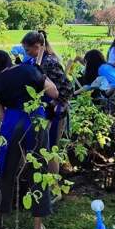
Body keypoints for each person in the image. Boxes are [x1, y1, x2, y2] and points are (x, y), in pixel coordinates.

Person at [0, 50, 59, 229]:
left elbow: (1, 116)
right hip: (34, 118)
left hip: (11, 121)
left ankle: (0, 219)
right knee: (38, 170)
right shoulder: (29, 70)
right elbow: (54, 92)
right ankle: (37, 227)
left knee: (6, 169)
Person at [22, 31, 74, 159]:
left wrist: (55, 103)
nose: (26, 53)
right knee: (44, 147)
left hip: (54, 110)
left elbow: (67, 87)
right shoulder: (37, 60)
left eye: (27, 50)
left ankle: (54, 177)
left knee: (51, 148)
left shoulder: (49, 62)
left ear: (37, 47)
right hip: (46, 109)